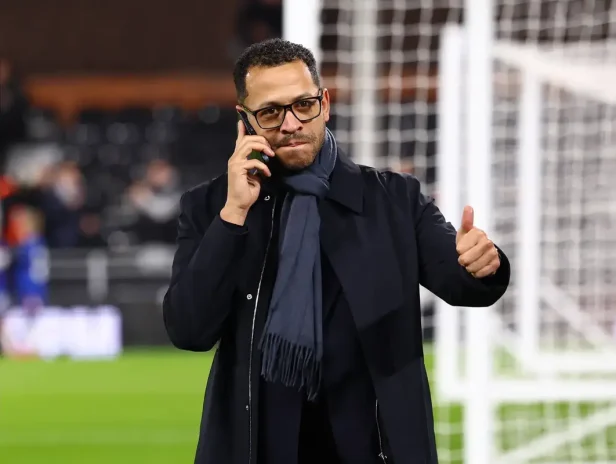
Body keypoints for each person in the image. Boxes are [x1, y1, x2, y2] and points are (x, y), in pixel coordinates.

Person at [163, 38, 511, 464]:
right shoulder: (210, 206)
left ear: (324, 104)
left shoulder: (394, 199)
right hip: (259, 447)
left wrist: (483, 264)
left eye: (303, 105)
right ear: (245, 120)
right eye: (270, 112)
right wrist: (233, 214)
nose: (291, 123)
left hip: (371, 448)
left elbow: (461, 283)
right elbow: (189, 329)